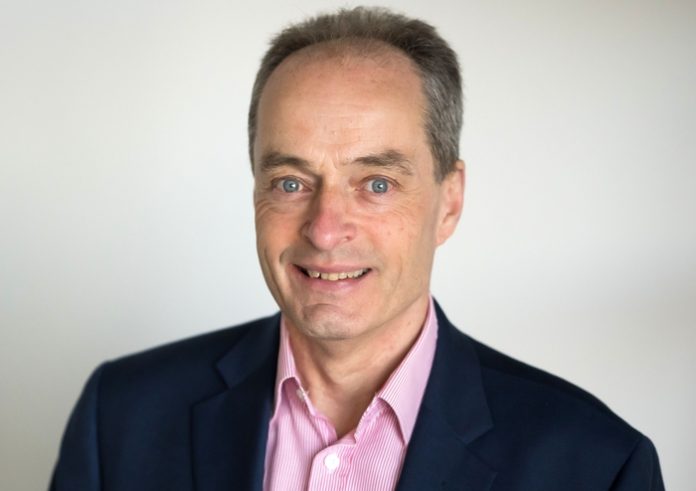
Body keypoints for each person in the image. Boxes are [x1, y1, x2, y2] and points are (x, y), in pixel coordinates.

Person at [50, 7, 664, 491]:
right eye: (291, 183)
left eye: (377, 184)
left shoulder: (595, 464)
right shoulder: (121, 416)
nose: (325, 230)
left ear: (449, 202)